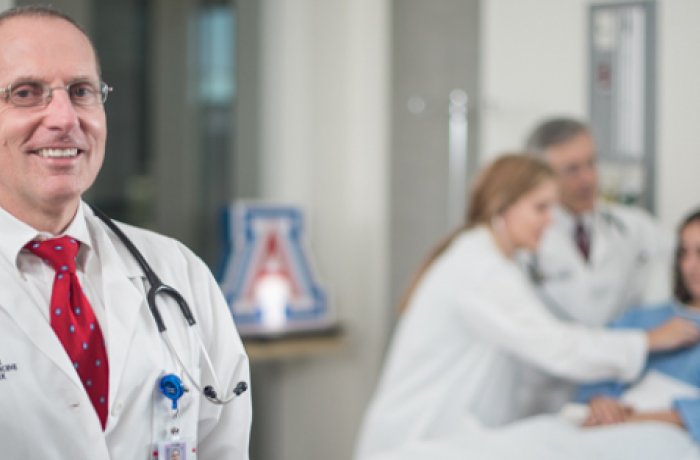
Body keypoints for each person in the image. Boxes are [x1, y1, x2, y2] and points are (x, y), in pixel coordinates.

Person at [0, 6, 250, 460]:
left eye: (81, 91)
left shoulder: (177, 270)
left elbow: (224, 444)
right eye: (25, 92)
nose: (64, 117)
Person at [354, 154, 698, 460]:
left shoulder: (495, 262)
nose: (551, 220)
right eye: (541, 207)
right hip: (426, 428)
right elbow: (558, 349)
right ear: (504, 207)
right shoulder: (481, 270)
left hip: (473, 430)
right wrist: (647, 341)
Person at [519, 117, 674, 415]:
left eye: (591, 163)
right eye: (572, 170)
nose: (588, 178)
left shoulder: (632, 226)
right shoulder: (526, 245)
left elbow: (686, 259)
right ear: (540, 177)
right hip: (547, 399)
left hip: (617, 396)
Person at [575, 209, 700, 438]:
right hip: (598, 428)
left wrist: (632, 420)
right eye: (683, 253)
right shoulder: (641, 318)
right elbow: (597, 367)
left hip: (653, 438)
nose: (690, 266)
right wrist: (600, 401)